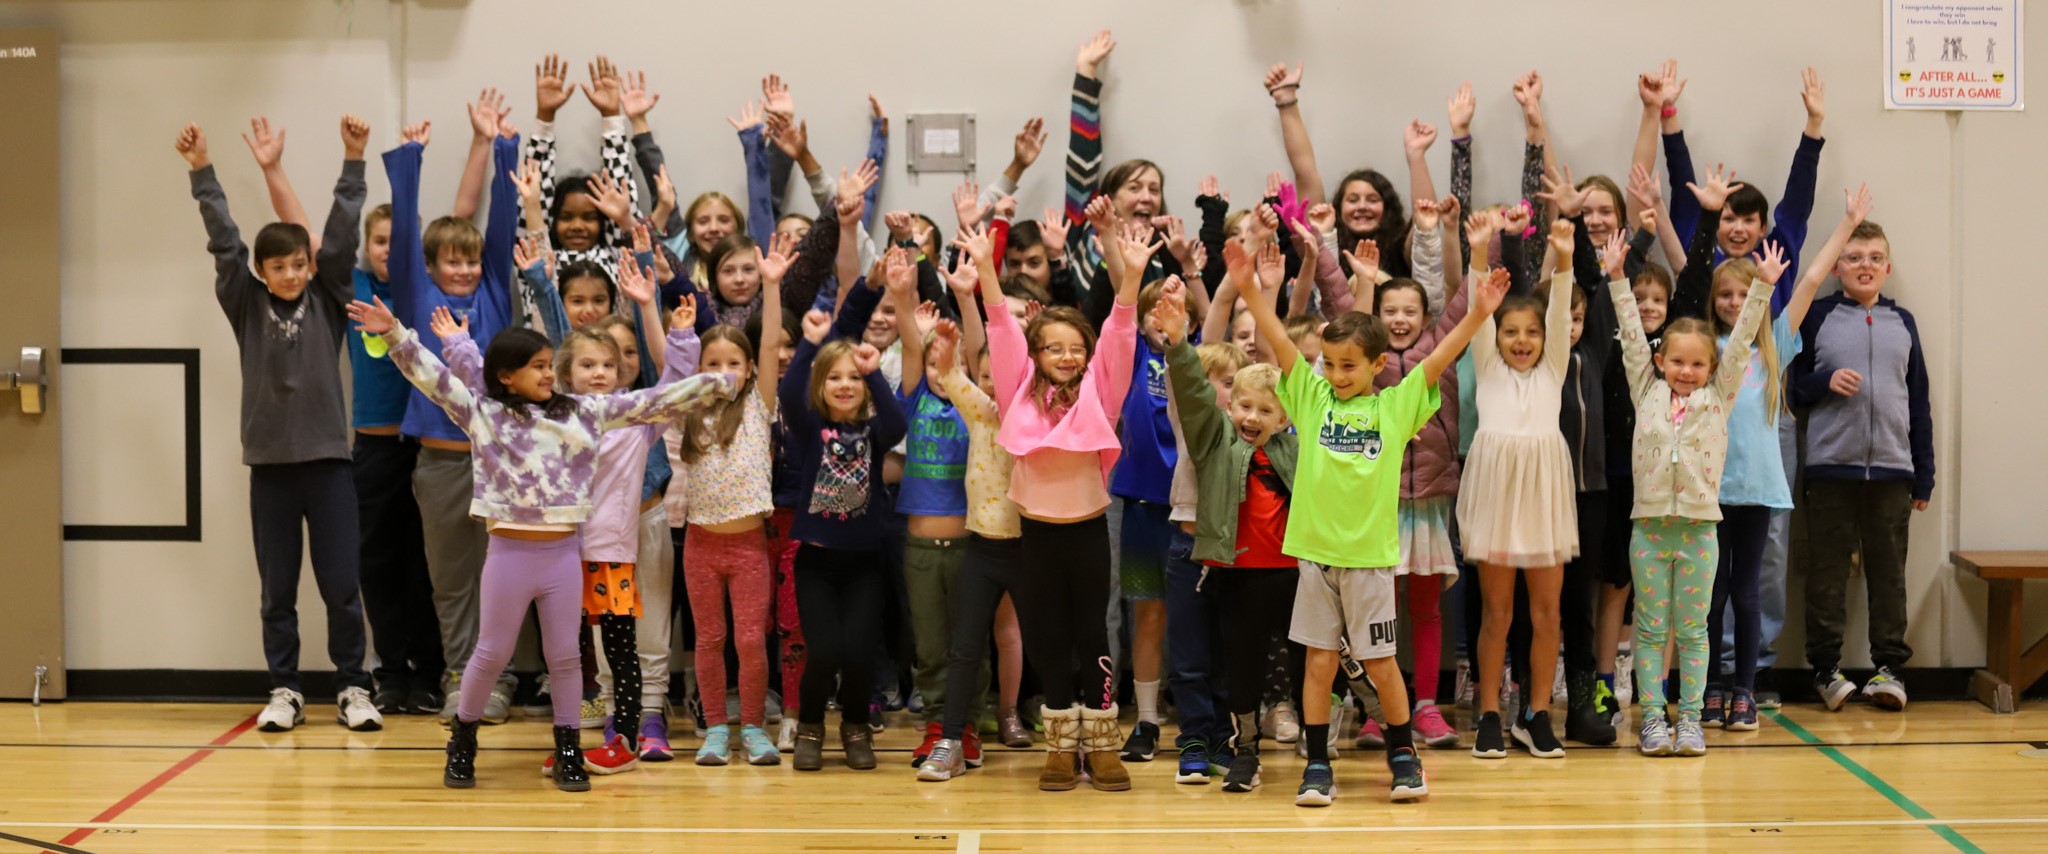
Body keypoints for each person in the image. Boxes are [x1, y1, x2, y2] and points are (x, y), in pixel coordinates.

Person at [348, 284, 729, 791]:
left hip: (562, 556)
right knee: (491, 653)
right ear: (507, 376)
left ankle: (569, 748)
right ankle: (463, 739)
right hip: (509, 555)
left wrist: (715, 382)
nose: (551, 373)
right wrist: (395, 333)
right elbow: (434, 380)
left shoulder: (584, 413)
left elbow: (653, 401)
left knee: (566, 658)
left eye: (552, 364)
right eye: (539, 366)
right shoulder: (483, 414)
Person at [1244, 230, 1505, 804]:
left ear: (1377, 364)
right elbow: (1278, 344)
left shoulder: (1394, 407)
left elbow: (1438, 357)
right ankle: (1317, 765)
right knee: (1317, 666)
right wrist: (1248, 288)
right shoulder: (1310, 398)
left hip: (1370, 562)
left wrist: (1479, 313)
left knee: (1383, 665)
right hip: (1316, 559)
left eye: (1349, 366)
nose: (1337, 375)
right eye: (1331, 364)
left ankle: (1403, 755)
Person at [238, 116, 446, 718]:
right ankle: (322, 684)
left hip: (407, 451)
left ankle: (391, 678)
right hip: (338, 453)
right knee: (318, 578)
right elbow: (309, 233)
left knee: (387, 573)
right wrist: (277, 168)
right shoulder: (337, 286)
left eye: (397, 242)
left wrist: (372, 157)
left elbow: (326, 238)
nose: (388, 251)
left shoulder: (410, 286)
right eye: (378, 242)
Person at [177, 117, 379, 733]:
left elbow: (341, 234)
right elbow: (224, 240)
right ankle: (285, 688)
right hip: (269, 469)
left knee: (343, 585)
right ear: (263, 271)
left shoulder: (328, 300)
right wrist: (202, 170)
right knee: (277, 591)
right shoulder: (245, 302)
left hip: (328, 466)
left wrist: (353, 158)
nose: (291, 275)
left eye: (299, 265)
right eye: (279, 267)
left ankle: (352, 686)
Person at [970, 205, 1145, 791]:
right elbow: (998, 325)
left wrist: (1131, 277)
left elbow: (1121, 331)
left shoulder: (1102, 391)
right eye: (1053, 348)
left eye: (1076, 348)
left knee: (1092, 634)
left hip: (1089, 533)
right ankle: (1059, 745)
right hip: (1036, 536)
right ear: (1036, 354)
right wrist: (985, 272)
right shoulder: (1019, 389)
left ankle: (1101, 743)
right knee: (1046, 636)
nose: (1066, 356)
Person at [1606, 179, 1776, 756]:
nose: (1685, 371)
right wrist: (1615, 279)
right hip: (1650, 528)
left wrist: (1761, 292)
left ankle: (1690, 722)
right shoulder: (1645, 387)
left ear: (1710, 367)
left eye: (1696, 363)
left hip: (1701, 527)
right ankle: (1653, 716)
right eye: (1675, 361)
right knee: (1651, 630)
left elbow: (1743, 339)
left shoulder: (1719, 394)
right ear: (1661, 361)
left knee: (1696, 628)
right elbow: (1631, 336)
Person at [1698, 186, 1873, 730]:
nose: (1733, 304)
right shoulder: (1703, 348)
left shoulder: (1774, 343)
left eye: (1741, 295)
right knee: (1711, 592)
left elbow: (1814, 278)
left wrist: (1846, 225)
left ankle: (1744, 691)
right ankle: (1707, 688)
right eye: (1724, 295)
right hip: (1708, 489)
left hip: (1756, 486)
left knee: (1747, 592)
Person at [382, 117, 526, 724]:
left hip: (499, 460)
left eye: (470, 262)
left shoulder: (494, 288)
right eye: (452, 263)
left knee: (507, 573)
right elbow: (403, 233)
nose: (464, 270)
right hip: (439, 462)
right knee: (452, 579)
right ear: (432, 266)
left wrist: (506, 149)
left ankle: (502, 678)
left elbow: (501, 226)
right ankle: (460, 676)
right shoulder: (418, 297)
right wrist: (412, 155)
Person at [1791, 216, 1932, 713]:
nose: (1864, 266)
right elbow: (1792, 389)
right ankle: (1825, 670)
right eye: (1853, 257)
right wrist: (1823, 381)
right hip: (1830, 470)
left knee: (1889, 574)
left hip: (1894, 473)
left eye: (1874, 258)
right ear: (1836, 268)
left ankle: (1890, 668)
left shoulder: (1903, 322)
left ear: (1887, 267)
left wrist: (1924, 473)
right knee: (1826, 574)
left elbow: (1918, 404)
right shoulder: (1818, 317)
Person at [1458, 220, 1581, 760]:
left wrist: (1563, 256)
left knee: (1548, 613)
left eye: (1531, 333)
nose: (1522, 341)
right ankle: (1489, 712)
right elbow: (1478, 308)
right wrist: (1478, 254)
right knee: (1497, 613)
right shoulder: (1485, 363)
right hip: (1497, 492)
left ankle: (1535, 714)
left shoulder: (1556, 365)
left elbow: (1558, 310)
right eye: (1511, 332)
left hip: (1544, 494)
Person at [780, 265, 909, 771]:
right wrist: (812, 346)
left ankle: (856, 726)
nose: (845, 385)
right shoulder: (809, 430)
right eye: (834, 378)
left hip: (864, 564)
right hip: (816, 563)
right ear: (821, 385)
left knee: (858, 653)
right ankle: (811, 724)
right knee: (826, 650)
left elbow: (898, 421)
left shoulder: (874, 431)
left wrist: (874, 371)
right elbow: (791, 394)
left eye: (853, 378)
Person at [674, 234, 796, 766]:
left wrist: (771, 285)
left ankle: (753, 727)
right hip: (700, 545)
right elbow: (665, 357)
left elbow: (769, 342)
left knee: (749, 640)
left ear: (748, 371)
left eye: (733, 363)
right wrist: (654, 316)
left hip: (749, 547)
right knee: (709, 640)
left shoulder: (759, 406)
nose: (723, 370)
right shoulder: (691, 406)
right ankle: (716, 731)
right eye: (712, 362)